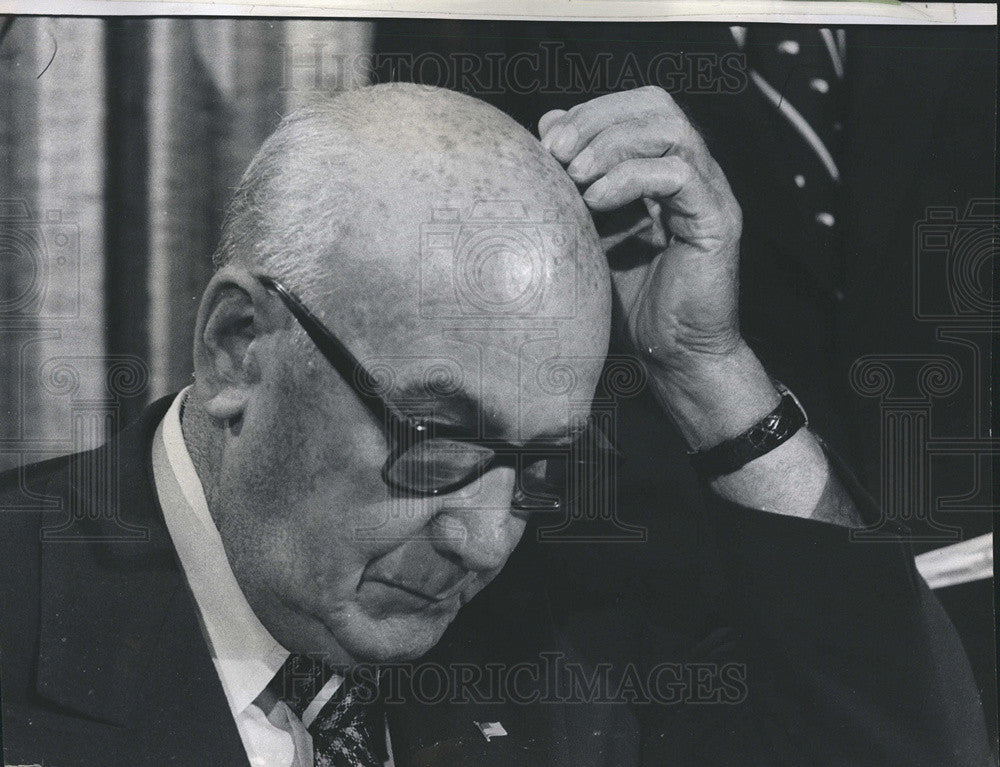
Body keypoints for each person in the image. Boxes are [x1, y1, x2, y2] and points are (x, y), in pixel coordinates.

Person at [0, 83, 990, 766]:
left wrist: (706, 369)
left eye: (540, 465)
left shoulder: (565, 653)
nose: (482, 537)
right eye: (432, 434)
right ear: (237, 346)